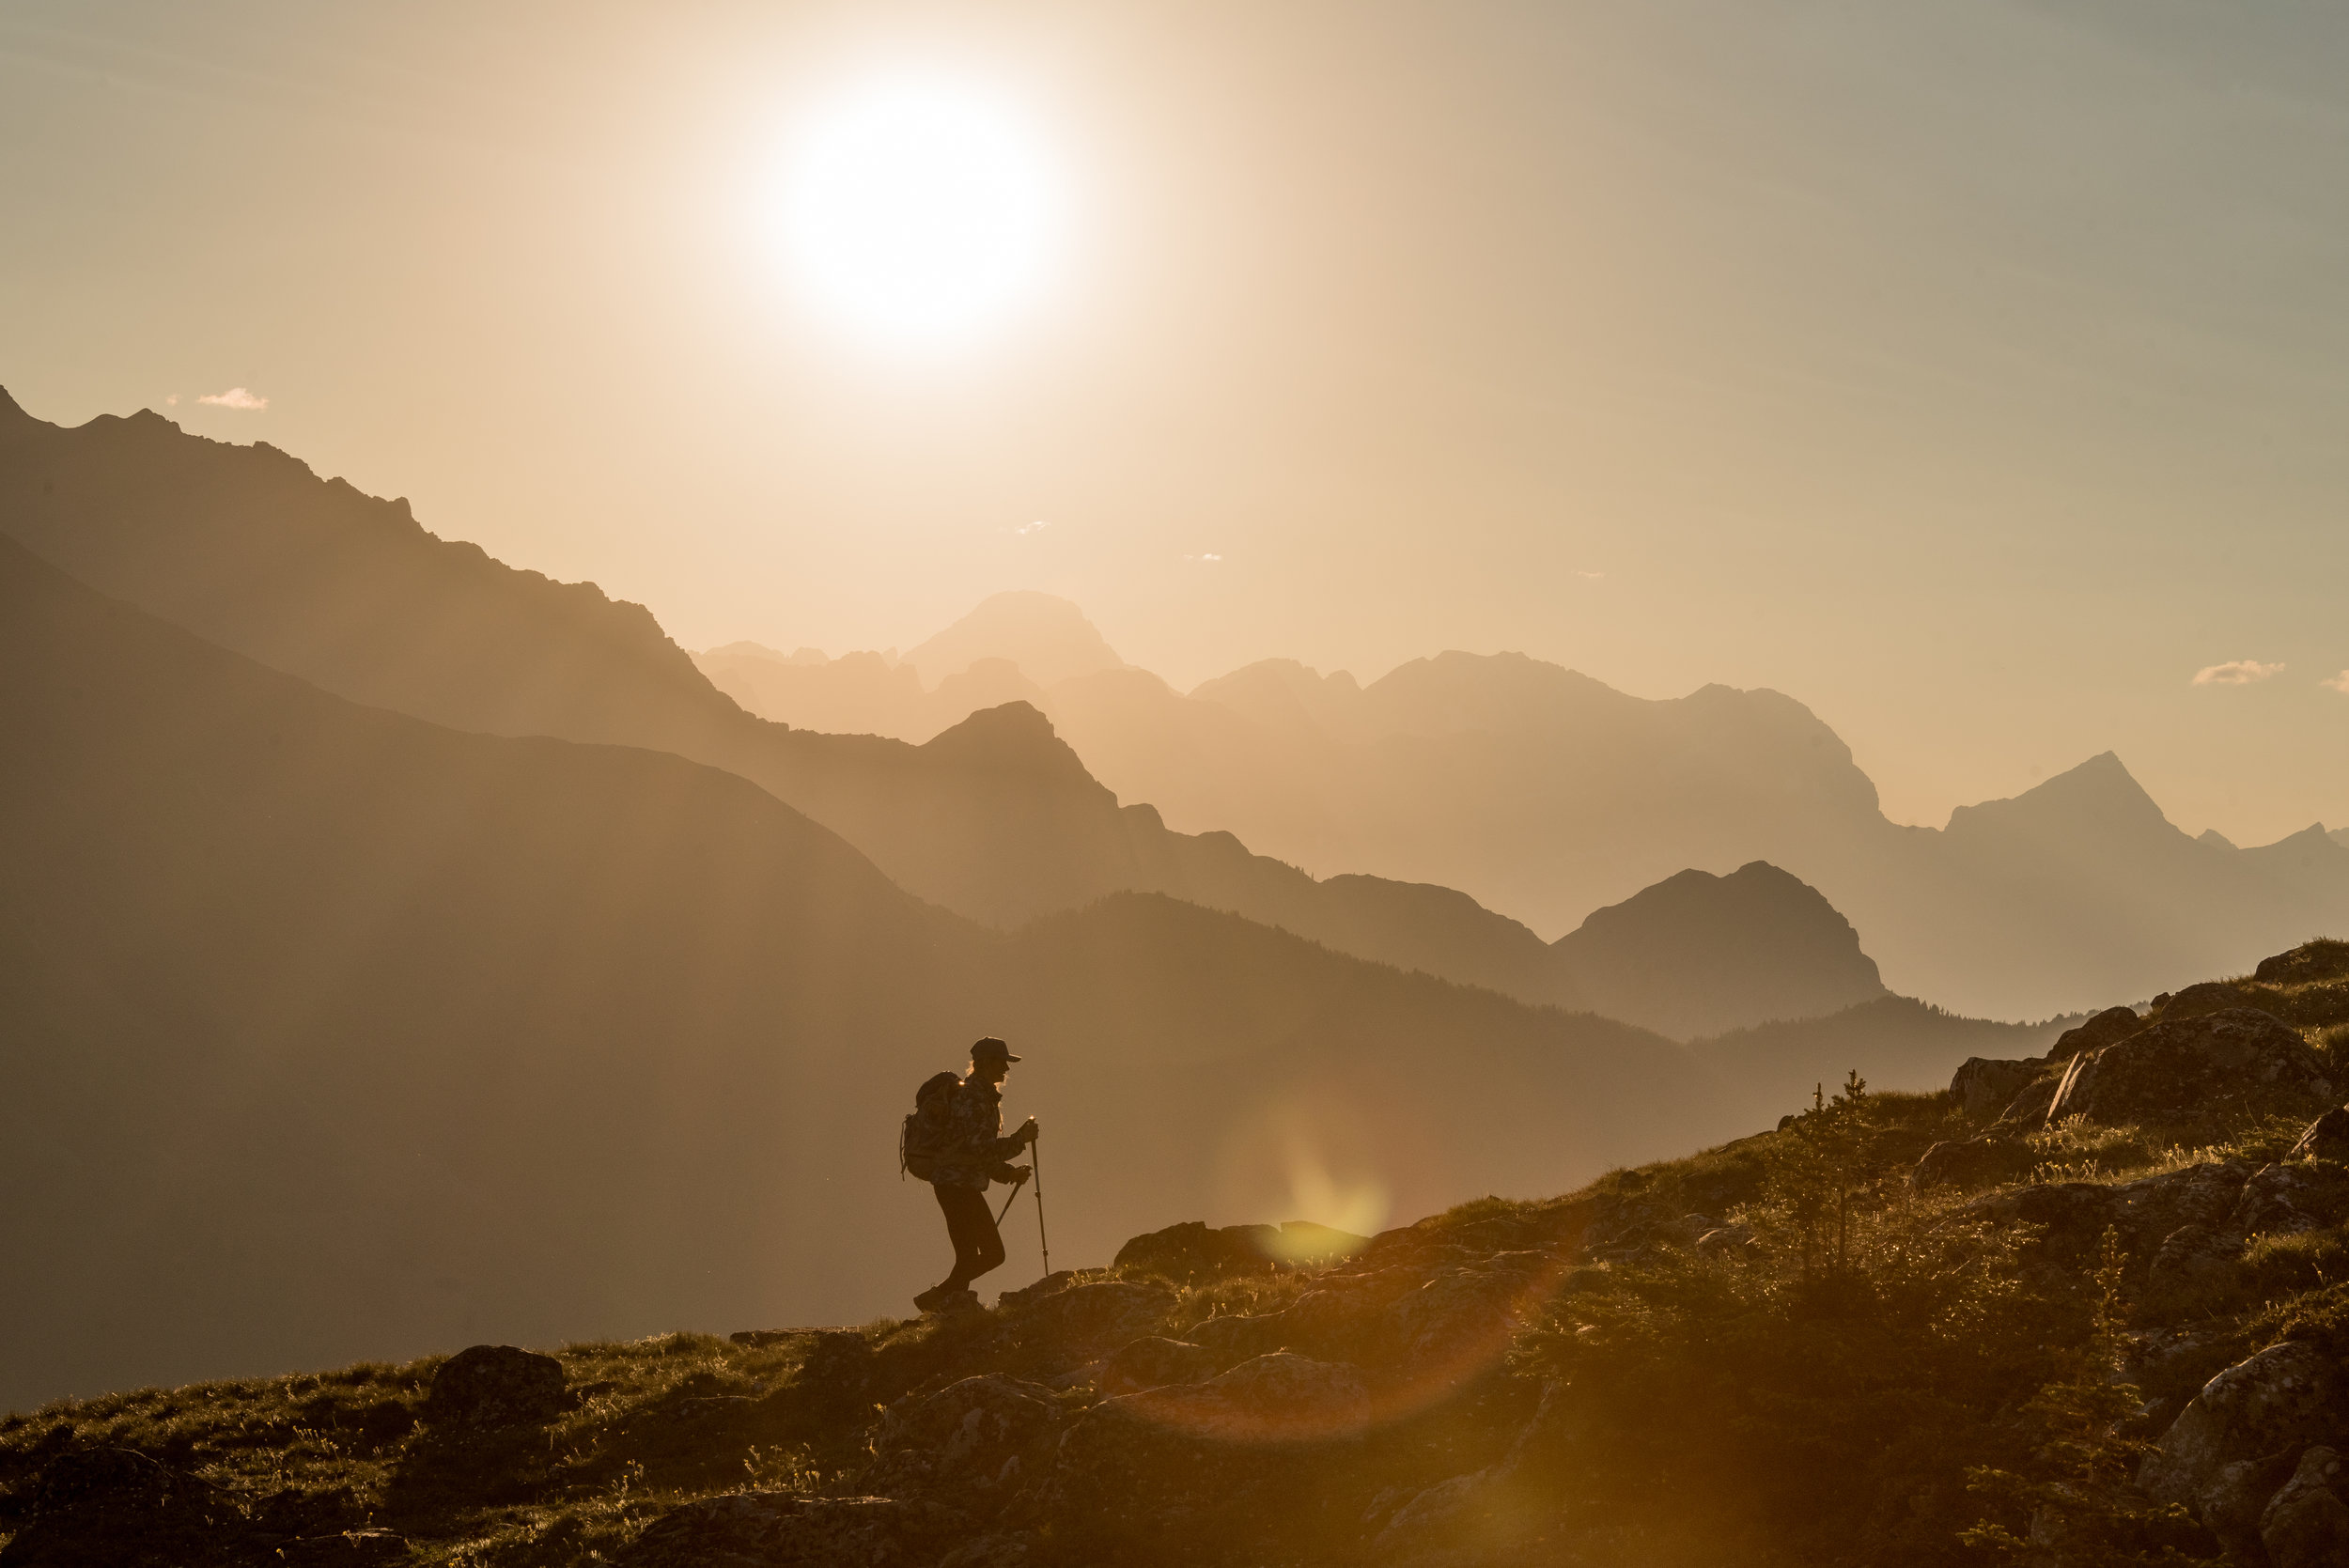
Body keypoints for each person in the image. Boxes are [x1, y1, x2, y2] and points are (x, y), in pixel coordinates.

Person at [912, 1036, 1037, 1313]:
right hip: (957, 1185)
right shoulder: (974, 1098)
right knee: (988, 1254)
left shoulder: (976, 1096)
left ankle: (946, 1308)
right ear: (983, 1064)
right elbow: (981, 1149)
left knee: (973, 1256)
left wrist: (1009, 1174)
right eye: (1001, 1063)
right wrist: (1020, 1139)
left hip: (955, 1183)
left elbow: (974, 1152)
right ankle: (937, 1303)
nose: (1006, 1070)